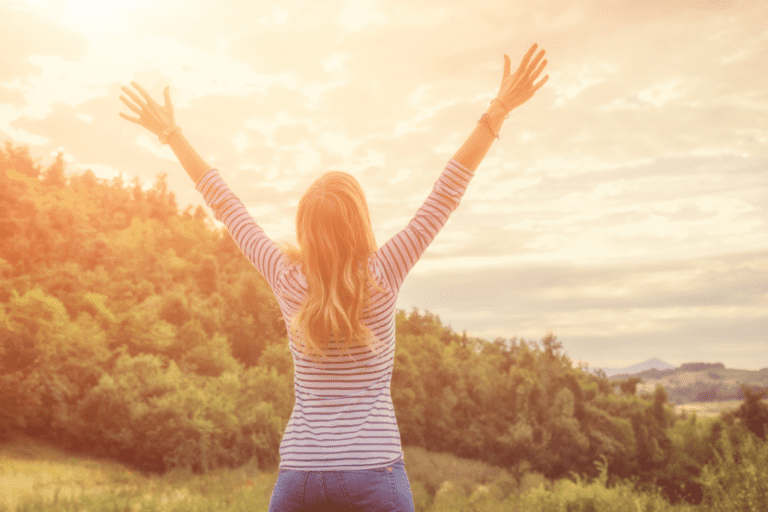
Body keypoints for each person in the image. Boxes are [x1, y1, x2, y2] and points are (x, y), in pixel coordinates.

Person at [119, 43, 548, 512]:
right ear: (360, 221)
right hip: (374, 474)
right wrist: (498, 110)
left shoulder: (286, 278)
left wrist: (172, 133)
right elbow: (447, 190)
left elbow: (226, 204)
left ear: (305, 228)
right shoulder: (384, 271)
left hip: (302, 476)